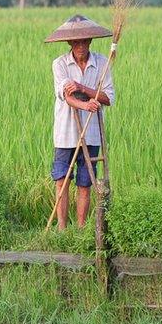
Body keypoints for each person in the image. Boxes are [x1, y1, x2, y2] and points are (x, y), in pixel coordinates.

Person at [45, 14, 115, 230]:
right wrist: (85, 104)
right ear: (69, 43)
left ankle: (82, 228)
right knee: (62, 180)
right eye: (76, 42)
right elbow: (67, 94)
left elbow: (108, 97)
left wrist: (85, 90)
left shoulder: (103, 63)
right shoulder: (60, 64)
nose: (80, 46)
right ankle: (62, 227)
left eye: (84, 41)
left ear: (90, 42)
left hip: (91, 132)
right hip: (66, 132)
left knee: (85, 183)